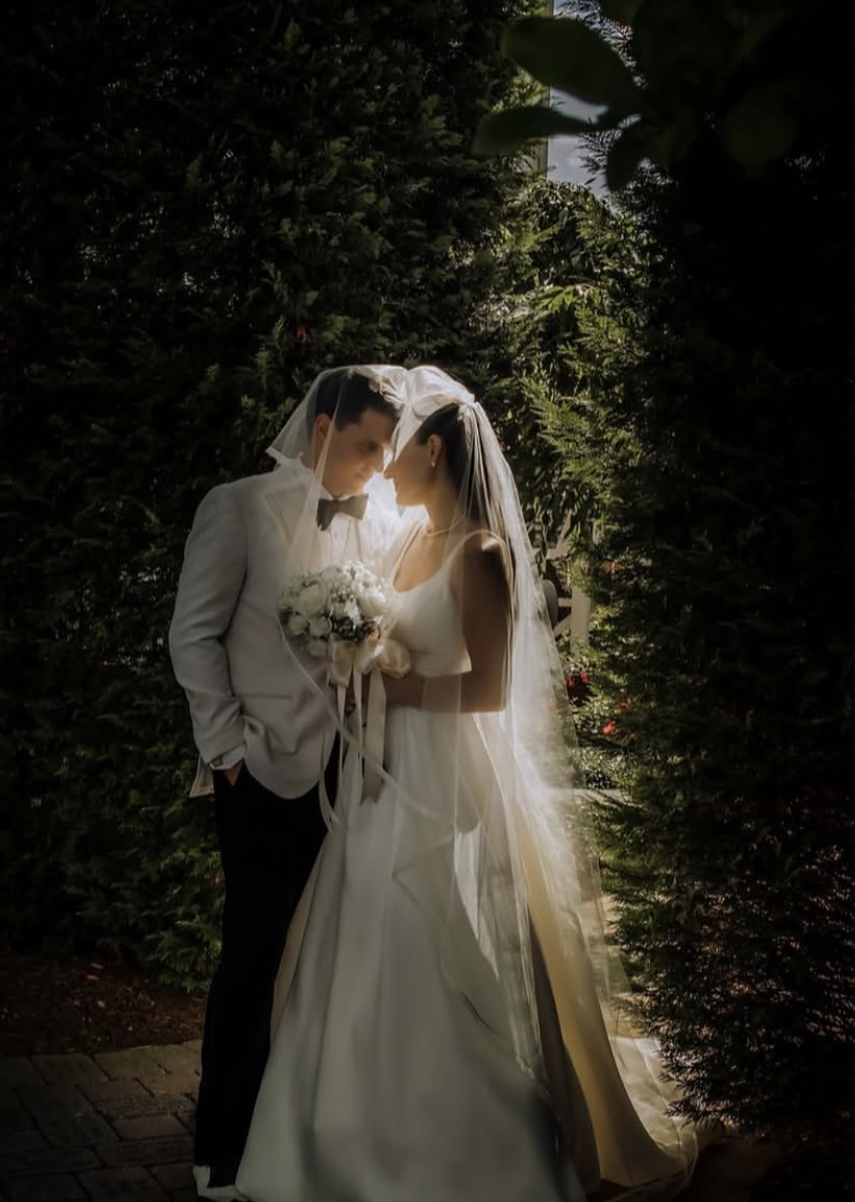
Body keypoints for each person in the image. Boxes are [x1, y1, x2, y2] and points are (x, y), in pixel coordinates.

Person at [236, 365, 714, 1202]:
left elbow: (490, 689)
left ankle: (466, 1145)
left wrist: (400, 685)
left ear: (432, 449)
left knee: (436, 930)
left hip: (444, 773)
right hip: (382, 767)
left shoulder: (480, 554)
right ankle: (338, 1133)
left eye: (398, 446)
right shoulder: (401, 540)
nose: (384, 463)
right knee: (360, 929)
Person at [169, 365, 403, 1201]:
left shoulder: (371, 529)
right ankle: (221, 1151)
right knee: (251, 958)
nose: (377, 464)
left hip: (350, 773)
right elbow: (191, 638)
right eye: (365, 444)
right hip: (262, 771)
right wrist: (228, 751)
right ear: (322, 427)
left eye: (386, 449)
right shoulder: (236, 508)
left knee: (328, 962)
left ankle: (295, 1132)